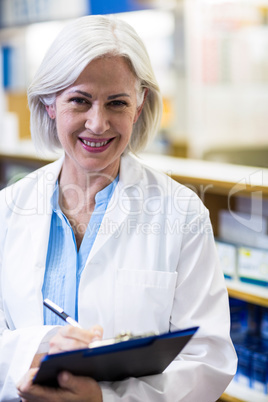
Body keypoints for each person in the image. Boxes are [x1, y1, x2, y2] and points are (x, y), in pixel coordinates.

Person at [0, 14, 237, 402]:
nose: (98, 123)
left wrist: (104, 400)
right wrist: (37, 349)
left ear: (139, 106)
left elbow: (208, 357)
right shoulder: (7, 209)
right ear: (50, 104)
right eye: (80, 100)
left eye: (117, 103)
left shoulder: (181, 213)